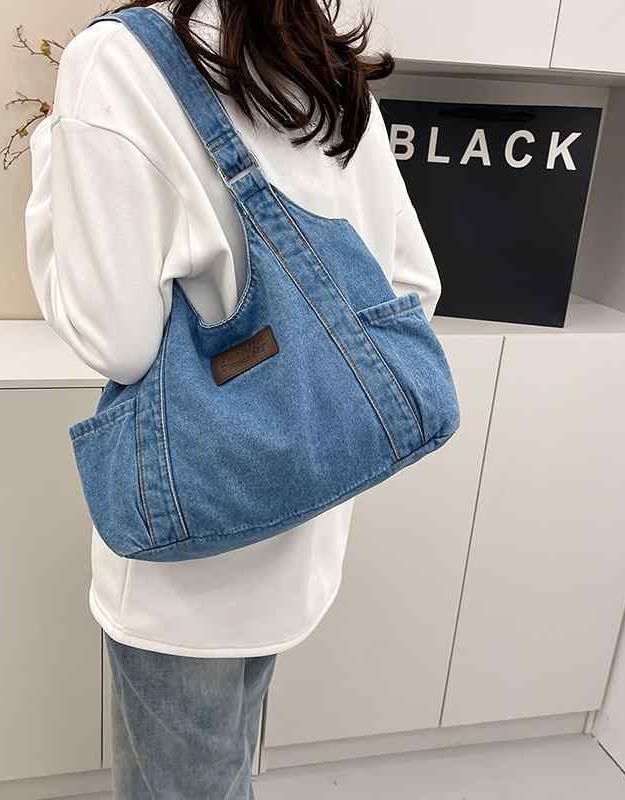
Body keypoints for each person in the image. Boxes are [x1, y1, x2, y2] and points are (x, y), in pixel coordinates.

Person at [24, 0, 442, 796]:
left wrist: (54, 150)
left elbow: (115, 340)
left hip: (186, 568)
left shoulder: (114, 60)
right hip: (304, 537)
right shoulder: (320, 62)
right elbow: (413, 288)